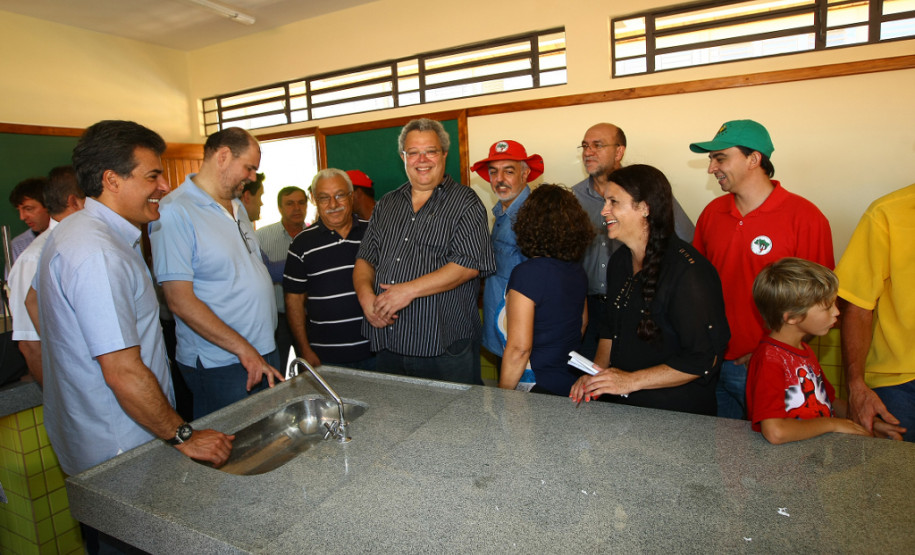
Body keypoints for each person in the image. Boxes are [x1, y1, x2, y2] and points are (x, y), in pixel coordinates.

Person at [35, 121, 233, 551]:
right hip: (121, 446)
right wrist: (183, 435)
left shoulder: (73, 232)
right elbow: (123, 371)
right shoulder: (98, 253)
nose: (164, 186)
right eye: (151, 176)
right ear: (111, 180)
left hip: (94, 439)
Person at [690, 119, 834, 419]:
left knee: (777, 458)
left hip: (769, 368)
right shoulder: (712, 215)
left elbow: (820, 301)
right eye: (711, 159)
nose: (711, 168)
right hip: (711, 362)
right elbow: (695, 285)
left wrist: (769, 352)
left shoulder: (805, 217)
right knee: (721, 459)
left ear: (754, 159)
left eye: (720, 158)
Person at [570, 165, 729, 416]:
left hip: (676, 416)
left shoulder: (689, 273)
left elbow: (702, 360)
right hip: (625, 411)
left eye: (614, 202)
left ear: (644, 208)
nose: (604, 211)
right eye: (604, 201)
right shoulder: (619, 261)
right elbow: (610, 331)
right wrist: (597, 375)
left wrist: (630, 381)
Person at [149, 127, 283, 419]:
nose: (252, 176)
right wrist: (244, 349)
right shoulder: (174, 211)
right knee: (229, 448)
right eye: (248, 167)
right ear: (223, 156)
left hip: (262, 349)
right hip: (222, 361)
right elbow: (179, 301)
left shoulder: (237, 206)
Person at [353, 118, 495, 384]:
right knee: (395, 419)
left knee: (456, 423)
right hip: (389, 339)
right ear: (403, 157)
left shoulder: (466, 202)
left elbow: (468, 265)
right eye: (413, 152)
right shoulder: (387, 203)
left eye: (430, 151)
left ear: (443, 154)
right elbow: (365, 259)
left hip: (444, 347)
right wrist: (365, 297)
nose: (422, 160)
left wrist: (407, 291)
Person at [573, 123, 694, 360]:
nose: (588, 152)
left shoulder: (644, 192)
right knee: (590, 376)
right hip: (588, 306)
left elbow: (683, 240)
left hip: (636, 302)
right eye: (585, 146)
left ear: (619, 152)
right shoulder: (574, 197)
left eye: (598, 145)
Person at [747, 258, 872, 444]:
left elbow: (828, 402)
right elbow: (775, 432)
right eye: (828, 307)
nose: (837, 312)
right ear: (792, 317)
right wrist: (833, 424)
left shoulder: (803, 350)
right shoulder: (770, 361)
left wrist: (868, 422)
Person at [835, 183, 913, 442]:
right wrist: (856, 386)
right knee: (892, 480)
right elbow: (857, 306)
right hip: (899, 385)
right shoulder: (887, 213)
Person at [499, 184, 592, 395]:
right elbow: (583, 322)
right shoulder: (577, 271)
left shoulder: (526, 274)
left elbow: (519, 349)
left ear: (527, 224)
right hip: (568, 381)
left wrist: (502, 394)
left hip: (536, 385)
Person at [284, 169, 374, 369]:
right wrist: (304, 349)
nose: (333, 204)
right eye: (324, 198)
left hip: (377, 352)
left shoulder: (374, 233)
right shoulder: (301, 244)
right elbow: (294, 301)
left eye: (340, 195)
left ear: (351, 197)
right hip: (325, 357)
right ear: (315, 200)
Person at [9, 166, 85, 383]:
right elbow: (30, 344)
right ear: (75, 201)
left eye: (29, 208)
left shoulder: (91, 242)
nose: (24, 217)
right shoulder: (34, 258)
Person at [470, 139, 544, 361]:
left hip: (521, 339)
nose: (499, 180)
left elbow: (540, 286)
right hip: (502, 330)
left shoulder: (533, 218)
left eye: (508, 171)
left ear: (524, 174)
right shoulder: (502, 213)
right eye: (494, 172)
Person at [255, 186, 308, 365]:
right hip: (277, 320)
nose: (297, 208)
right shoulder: (261, 237)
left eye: (301, 203)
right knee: (276, 370)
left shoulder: (315, 236)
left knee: (311, 372)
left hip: (309, 318)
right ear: (280, 208)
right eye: (290, 204)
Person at [8, 177, 52, 263]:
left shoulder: (68, 236)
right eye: (18, 211)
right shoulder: (18, 245)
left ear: (48, 205)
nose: (22, 217)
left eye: (28, 209)